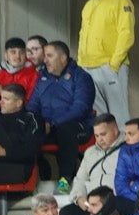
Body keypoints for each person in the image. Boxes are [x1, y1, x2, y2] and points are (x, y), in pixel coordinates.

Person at [27, 41, 96, 178]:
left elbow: (80, 108)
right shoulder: (43, 78)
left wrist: (52, 123)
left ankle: (65, 182)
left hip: (76, 126)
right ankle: (34, 180)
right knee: (26, 128)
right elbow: (32, 105)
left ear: (63, 58)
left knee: (66, 130)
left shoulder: (81, 77)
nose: (45, 60)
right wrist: (36, 121)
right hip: (47, 126)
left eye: (49, 56)